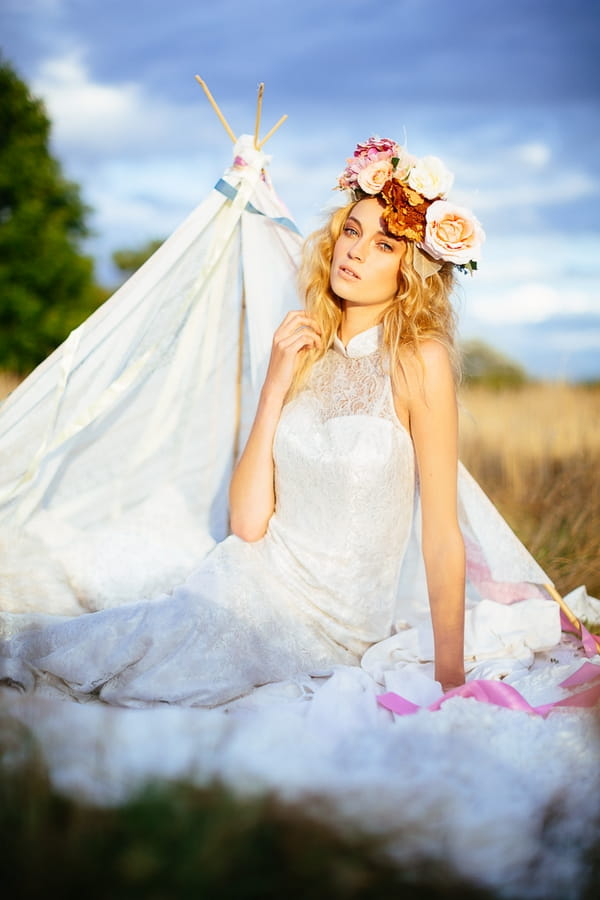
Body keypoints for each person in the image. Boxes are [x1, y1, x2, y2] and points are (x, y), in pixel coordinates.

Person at [0, 136, 557, 707]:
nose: (356, 251)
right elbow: (246, 524)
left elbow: (442, 534)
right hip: (253, 577)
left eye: (384, 244)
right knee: (147, 645)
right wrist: (274, 384)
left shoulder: (420, 361)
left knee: (165, 669)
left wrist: (450, 683)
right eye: (351, 230)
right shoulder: (305, 348)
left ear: (410, 271)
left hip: (341, 624)